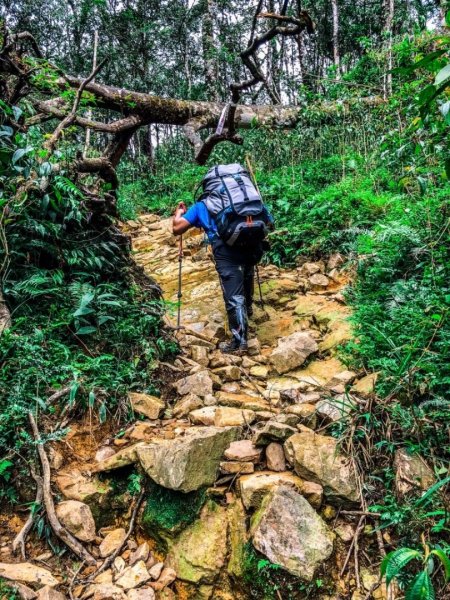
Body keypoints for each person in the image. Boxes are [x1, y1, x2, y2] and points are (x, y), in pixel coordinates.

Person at [172, 198, 267, 354]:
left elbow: (177, 228)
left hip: (226, 250)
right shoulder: (246, 198)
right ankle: (248, 308)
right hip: (253, 246)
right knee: (247, 269)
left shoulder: (201, 206)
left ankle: (239, 342)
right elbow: (267, 220)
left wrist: (179, 214)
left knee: (233, 293)